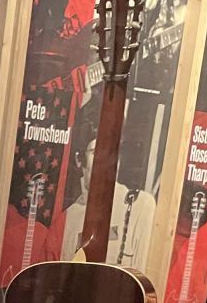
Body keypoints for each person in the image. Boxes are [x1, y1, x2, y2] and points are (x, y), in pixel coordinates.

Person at [59, 91, 155, 271]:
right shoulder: (68, 219)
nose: (106, 161)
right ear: (80, 160)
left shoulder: (140, 206)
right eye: (96, 152)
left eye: (112, 151)